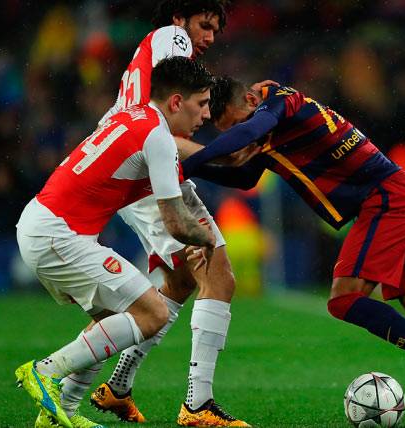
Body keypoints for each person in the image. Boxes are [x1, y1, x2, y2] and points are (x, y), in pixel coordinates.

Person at [180, 77, 405, 422]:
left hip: (387, 199)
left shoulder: (278, 103)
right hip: (400, 195)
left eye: (236, 124)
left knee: (344, 298)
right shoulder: (267, 127)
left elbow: (248, 132)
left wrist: (184, 164)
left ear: (251, 100)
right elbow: (245, 178)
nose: (239, 135)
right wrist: (191, 172)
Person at [85, 2, 268, 426]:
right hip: (145, 168)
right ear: (179, 19)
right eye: (204, 25)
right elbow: (160, 130)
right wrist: (222, 155)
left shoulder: (152, 52)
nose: (208, 37)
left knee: (182, 279)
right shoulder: (173, 40)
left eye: (215, 30)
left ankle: (118, 387)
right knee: (218, 274)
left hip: (132, 164)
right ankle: (197, 404)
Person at [14, 56, 216, 428]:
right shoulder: (157, 136)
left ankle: (61, 415)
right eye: (201, 103)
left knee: (110, 323)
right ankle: (46, 371)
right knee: (153, 314)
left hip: (43, 225)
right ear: (176, 101)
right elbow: (175, 221)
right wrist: (207, 239)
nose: (206, 114)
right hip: (58, 234)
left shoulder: (132, 114)